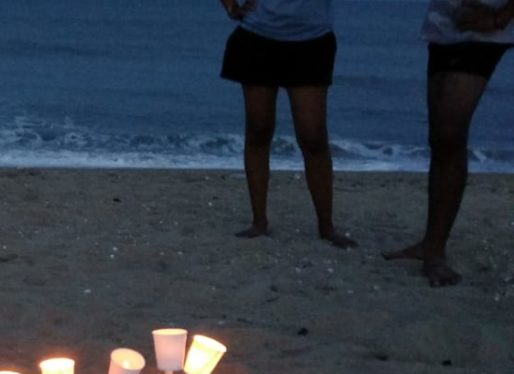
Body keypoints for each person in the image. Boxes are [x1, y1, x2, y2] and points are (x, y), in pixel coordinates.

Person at [384, 0, 514, 286]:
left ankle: (436, 250)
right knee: (440, 138)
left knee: (449, 134)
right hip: (446, 22)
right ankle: (431, 242)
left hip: (484, 28)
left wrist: (500, 17)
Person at [219, 0, 357, 249]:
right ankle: (259, 221)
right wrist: (231, 5)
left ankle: (326, 225)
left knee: (313, 136)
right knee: (259, 130)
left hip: (311, 39)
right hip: (258, 36)